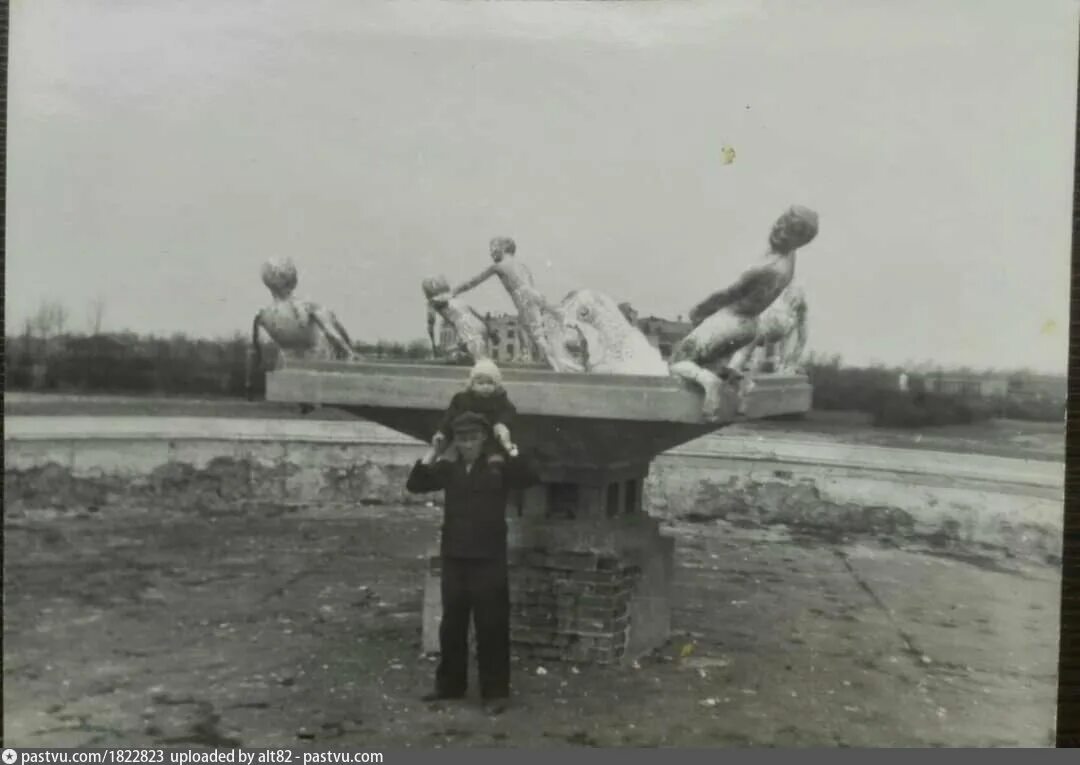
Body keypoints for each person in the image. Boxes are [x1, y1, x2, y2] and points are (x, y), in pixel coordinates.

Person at [406, 411, 540, 715]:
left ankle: (495, 693)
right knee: (452, 624)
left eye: (473, 438)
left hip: (489, 556)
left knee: (491, 624)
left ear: (483, 439)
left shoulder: (497, 465)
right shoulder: (449, 466)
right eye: (462, 439)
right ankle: (450, 686)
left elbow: (530, 477)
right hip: (455, 555)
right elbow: (415, 485)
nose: (467, 444)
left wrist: (508, 445)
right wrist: (434, 450)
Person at [432, 359, 519, 461]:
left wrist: (501, 424)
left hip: (488, 441)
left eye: (490, 383)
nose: (485, 387)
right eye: (480, 383)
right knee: (446, 460)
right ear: (472, 384)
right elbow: (450, 416)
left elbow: (508, 413)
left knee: (496, 461)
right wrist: (442, 432)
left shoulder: (499, 400)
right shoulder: (462, 399)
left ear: (496, 385)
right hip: (463, 438)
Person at [421, 275, 493, 362]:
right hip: (479, 325)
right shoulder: (453, 295)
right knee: (465, 347)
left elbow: (431, 323)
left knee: (481, 361)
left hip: (466, 326)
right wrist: (490, 330)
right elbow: (474, 312)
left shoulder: (432, 302)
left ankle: (469, 360)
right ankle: (459, 355)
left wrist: (433, 344)